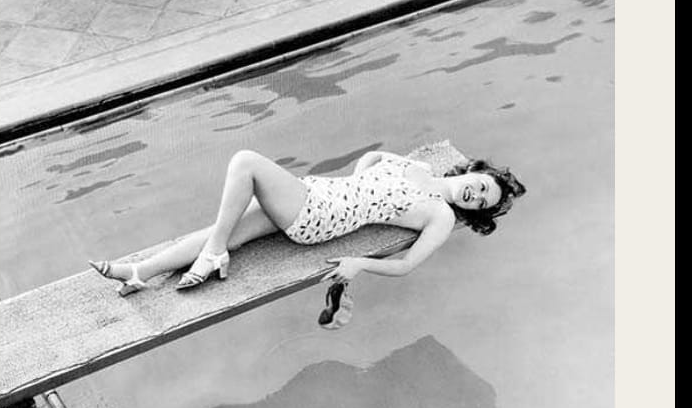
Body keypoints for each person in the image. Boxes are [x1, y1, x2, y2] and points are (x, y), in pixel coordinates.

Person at [89, 147, 526, 300]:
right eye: (482, 184)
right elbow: (374, 158)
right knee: (224, 228)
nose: (477, 192)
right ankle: (139, 272)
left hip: (321, 216)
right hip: (322, 194)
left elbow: (408, 264)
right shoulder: (418, 167)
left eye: (484, 199)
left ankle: (214, 253)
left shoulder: (442, 215)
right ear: (472, 171)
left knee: (245, 163)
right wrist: (359, 185)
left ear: (478, 210)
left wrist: (359, 263)